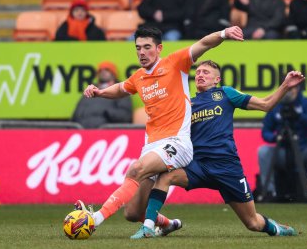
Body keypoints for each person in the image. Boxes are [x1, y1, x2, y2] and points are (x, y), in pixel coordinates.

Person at [75, 25, 244, 230]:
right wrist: (100, 92)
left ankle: (94, 219)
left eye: (147, 47)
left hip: (177, 143)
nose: (142, 52)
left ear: (159, 48)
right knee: (133, 213)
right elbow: (120, 88)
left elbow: (204, 44)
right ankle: (168, 224)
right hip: (152, 147)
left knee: (136, 169)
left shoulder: (175, 63)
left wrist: (224, 34)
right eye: (138, 48)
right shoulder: (139, 77)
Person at [128, 60, 304, 239]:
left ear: (216, 79)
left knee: (253, 223)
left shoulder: (226, 94)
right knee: (166, 176)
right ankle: (148, 228)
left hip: (227, 167)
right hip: (199, 166)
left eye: (206, 72)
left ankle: (277, 229)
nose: (200, 75)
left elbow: (266, 105)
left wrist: (285, 86)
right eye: (198, 72)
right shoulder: (187, 104)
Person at [258, 85, 307, 203]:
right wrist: (275, 137)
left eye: (291, 89)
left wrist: (299, 116)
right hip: (282, 151)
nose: (288, 92)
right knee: (263, 151)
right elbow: (265, 132)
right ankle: (269, 192)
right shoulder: (275, 105)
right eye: (286, 89)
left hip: (304, 150)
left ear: (297, 89)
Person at [72, 61, 132, 128]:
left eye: (107, 69)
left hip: (106, 132)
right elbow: (75, 115)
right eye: (100, 70)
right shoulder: (90, 90)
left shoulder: (121, 90)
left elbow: (125, 116)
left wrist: (106, 113)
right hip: (82, 132)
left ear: (113, 74)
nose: (103, 72)